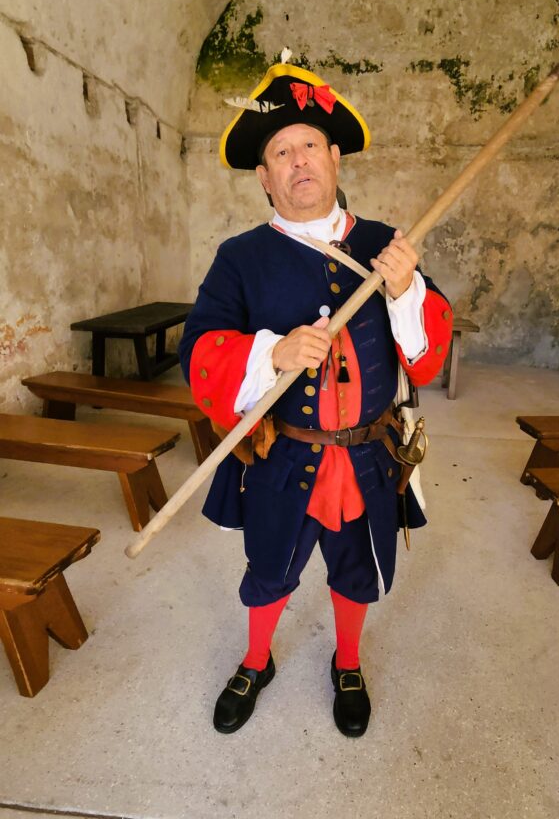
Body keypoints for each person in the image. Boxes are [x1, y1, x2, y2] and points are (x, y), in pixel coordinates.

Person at [179, 60, 453, 737]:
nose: (297, 161)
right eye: (280, 152)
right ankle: (254, 659)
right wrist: (269, 352)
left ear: (334, 157)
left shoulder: (385, 244)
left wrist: (405, 291)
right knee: (269, 568)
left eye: (308, 146)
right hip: (282, 460)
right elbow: (199, 350)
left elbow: (428, 350)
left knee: (356, 569)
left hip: (368, 457)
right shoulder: (239, 258)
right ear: (264, 177)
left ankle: (349, 662)